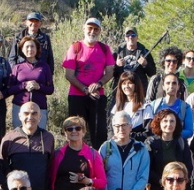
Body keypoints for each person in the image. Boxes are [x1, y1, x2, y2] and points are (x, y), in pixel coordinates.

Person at [63, 16, 115, 146]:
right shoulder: (75, 47)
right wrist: (86, 90)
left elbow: (110, 72)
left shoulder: (105, 49)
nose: (92, 31)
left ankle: (99, 157)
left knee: (99, 134)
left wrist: (99, 84)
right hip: (77, 96)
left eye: (96, 29)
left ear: (100, 31)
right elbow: (69, 75)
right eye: (90, 28)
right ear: (84, 29)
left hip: (98, 96)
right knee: (75, 131)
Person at [1, 102, 55, 190]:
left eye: (34, 113)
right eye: (26, 113)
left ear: (40, 116)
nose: (30, 117)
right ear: (20, 116)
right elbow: (2, 166)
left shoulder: (48, 137)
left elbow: (50, 165)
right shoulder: (9, 138)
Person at [7, 35, 54, 128]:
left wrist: (39, 86)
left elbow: (50, 89)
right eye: (27, 47)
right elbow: (10, 89)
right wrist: (24, 85)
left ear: (37, 49)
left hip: (39, 107)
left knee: (39, 135)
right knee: (20, 135)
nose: (30, 49)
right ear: (22, 50)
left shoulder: (44, 67)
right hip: (20, 107)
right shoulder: (17, 67)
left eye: (32, 46)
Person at [147, 107, 194, 190]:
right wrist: (163, 182)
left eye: (172, 121)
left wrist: (179, 182)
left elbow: (188, 167)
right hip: (157, 188)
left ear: (176, 124)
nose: (169, 124)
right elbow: (147, 169)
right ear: (159, 123)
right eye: (165, 121)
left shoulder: (181, 142)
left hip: (178, 188)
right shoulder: (151, 143)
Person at [112, 26, 157, 101]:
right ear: (125, 37)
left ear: (137, 37)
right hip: (122, 92)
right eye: (128, 35)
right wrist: (117, 66)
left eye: (133, 35)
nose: (130, 37)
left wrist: (145, 65)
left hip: (139, 92)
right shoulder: (117, 53)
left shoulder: (145, 52)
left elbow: (153, 73)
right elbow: (111, 73)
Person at [150, 72, 194, 141]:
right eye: (168, 83)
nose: (171, 86)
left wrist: (171, 133)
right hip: (157, 144)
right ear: (163, 86)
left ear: (178, 86)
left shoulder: (185, 107)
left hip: (177, 144)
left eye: (174, 83)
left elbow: (189, 131)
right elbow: (149, 128)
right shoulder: (154, 105)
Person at [111, 70, 153, 140]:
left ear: (136, 85)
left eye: (130, 83)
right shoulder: (116, 107)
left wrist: (129, 135)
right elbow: (110, 130)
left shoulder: (145, 107)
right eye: (124, 83)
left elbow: (148, 133)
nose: (126, 86)